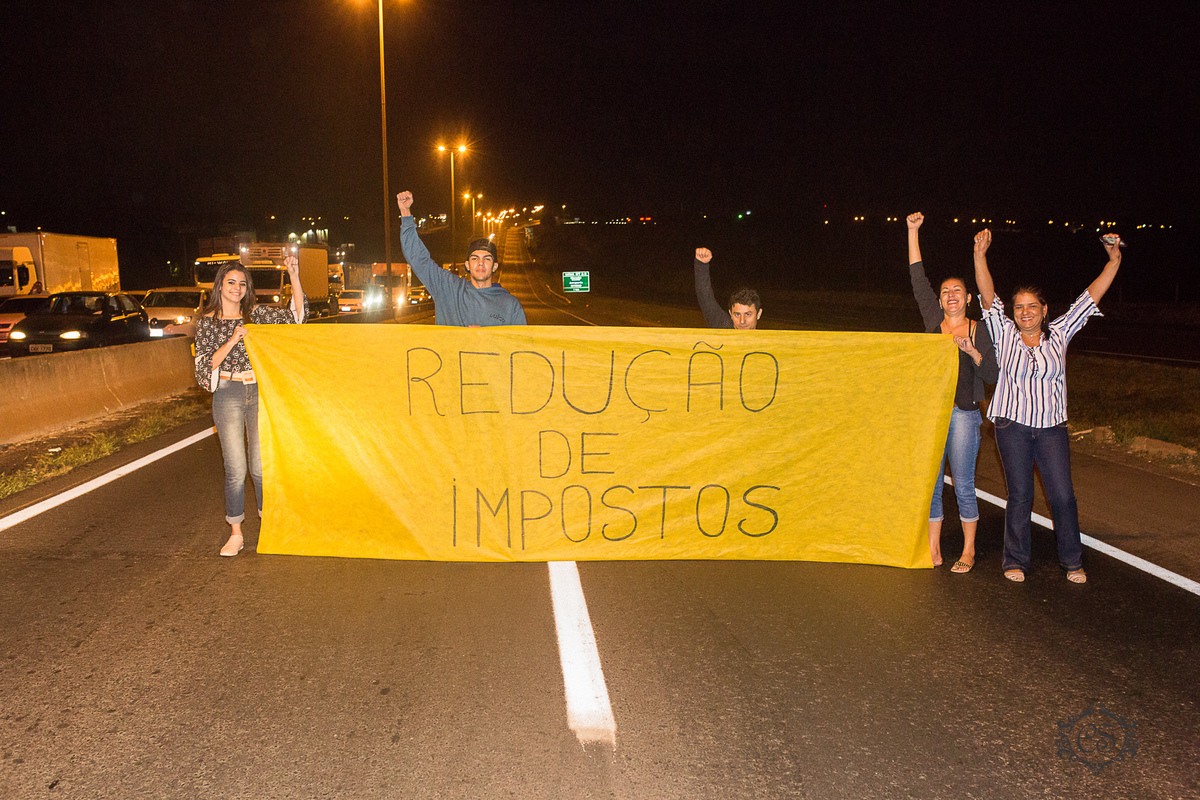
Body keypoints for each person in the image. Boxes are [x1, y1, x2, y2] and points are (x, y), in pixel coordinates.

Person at [974, 228, 1123, 584]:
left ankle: (1072, 560)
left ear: (1044, 310)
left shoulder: (1061, 332)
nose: (1025, 312)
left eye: (1032, 306)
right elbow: (987, 295)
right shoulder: (1005, 333)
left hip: (1052, 428)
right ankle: (1015, 560)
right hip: (1012, 427)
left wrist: (1114, 259)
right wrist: (980, 256)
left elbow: (1091, 296)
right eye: (1019, 307)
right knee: (1021, 496)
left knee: (1062, 496)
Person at [193, 257, 307, 557]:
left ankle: (269, 524)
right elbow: (204, 366)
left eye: (242, 284)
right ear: (220, 285)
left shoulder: (256, 314)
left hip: (257, 391)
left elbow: (296, 318)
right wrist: (232, 340)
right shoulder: (207, 322)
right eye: (231, 282)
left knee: (259, 467)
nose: (237, 288)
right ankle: (236, 533)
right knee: (236, 469)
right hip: (227, 393)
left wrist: (294, 276)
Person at [906, 213, 998, 572]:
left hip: (962, 414)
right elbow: (917, 279)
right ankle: (933, 548)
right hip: (932, 414)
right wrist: (913, 232)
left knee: (962, 483)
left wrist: (971, 351)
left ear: (968, 297)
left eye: (957, 290)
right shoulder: (933, 323)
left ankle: (969, 550)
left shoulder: (979, 330)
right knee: (930, 483)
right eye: (945, 292)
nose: (949, 295)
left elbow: (991, 373)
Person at [396, 191, 527, 327]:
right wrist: (405, 212)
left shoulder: (510, 305)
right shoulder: (448, 289)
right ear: (467, 265)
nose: (480, 263)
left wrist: (487, 337)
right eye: (475, 258)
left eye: (487, 259)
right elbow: (418, 259)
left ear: (494, 266)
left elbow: (521, 345)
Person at [693, 248, 762, 329]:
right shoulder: (724, 326)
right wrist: (701, 265)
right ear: (730, 314)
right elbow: (705, 299)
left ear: (758, 314)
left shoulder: (769, 340)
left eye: (748, 314)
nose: (742, 321)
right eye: (737, 314)